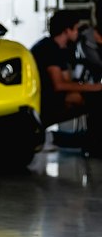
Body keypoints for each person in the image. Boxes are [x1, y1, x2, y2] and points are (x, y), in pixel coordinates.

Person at [32, 9, 102, 156]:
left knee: (93, 97)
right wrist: (94, 87)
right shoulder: (49, 49)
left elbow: (67, 80)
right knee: (95, 99)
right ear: (67, 30)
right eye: (75, 29)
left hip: (52, 96)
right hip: (46, 100)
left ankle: (92, 142)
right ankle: (93, 144)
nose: (77, 33)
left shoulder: (58, 48)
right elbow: (59, 85)